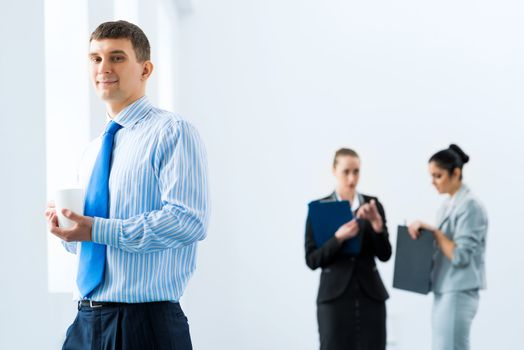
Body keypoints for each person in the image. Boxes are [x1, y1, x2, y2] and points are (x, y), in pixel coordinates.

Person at [44, 20, 209, 349]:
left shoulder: (172, 132)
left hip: (144, 326)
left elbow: (188, 221)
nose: (103, 67)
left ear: (145, 69)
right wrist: (70, 232)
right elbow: (94, 244)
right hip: (85, 322)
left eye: (116, 57)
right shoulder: (93, 151)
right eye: (95, 58)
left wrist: (95, 229)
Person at [305, 148, 392, 350]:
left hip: (370, 295)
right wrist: (338, 238)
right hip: (334, 299)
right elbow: (312, 260)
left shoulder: (373, 205)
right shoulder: (319, 208)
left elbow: (385, 254)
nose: (352, 179)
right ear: (334, 170)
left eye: (356, 171)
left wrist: (377, 228)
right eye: (346, 172)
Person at [408, 144, 487, 350]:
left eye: (438, 176)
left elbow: (460, 256)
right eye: (431, 176)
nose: (433, 182)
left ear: (456, 173)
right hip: (444, 289)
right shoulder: (446, 206)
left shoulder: (470, 206)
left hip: (459, 290)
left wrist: (434, 232)